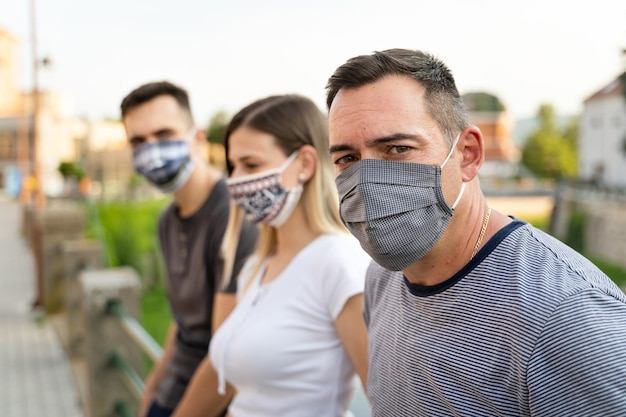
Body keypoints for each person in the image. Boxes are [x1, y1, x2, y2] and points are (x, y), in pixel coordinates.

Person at [325, 48, 626, 416]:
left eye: (398, 148)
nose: (367, 181)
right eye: (348, 159)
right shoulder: (382, 278)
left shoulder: (566, 316)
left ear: (467, 154)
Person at [198, 94, 370, 417]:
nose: (234, 181)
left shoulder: (339, 262)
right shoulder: (255, 266)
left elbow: (385, 396)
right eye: (232, 166)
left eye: (251, 165)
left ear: (304, 164)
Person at [121, 81, 257, 417]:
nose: (151, 149)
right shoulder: (167, 219)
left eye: (164, 134)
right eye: (138, 141)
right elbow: (183, 322)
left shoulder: (234, 214)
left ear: (196, 138)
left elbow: (227, 350)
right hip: (170, 393)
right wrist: (152, 387)